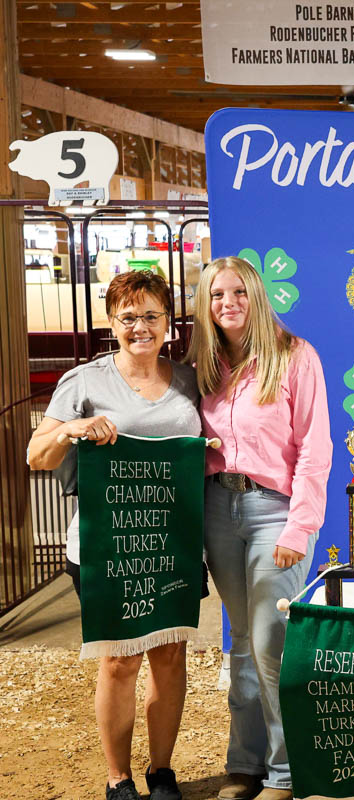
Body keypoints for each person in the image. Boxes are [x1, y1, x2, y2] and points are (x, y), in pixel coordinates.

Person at [27, 270, 199, 800]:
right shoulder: (84, 381)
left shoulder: (189, 380)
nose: (140, 327)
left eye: (151, 316)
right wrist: (70, 429)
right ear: (111, 322)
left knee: (169, 656)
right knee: (120, 659)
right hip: (106, 548)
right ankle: (118, 777)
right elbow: (37, 456)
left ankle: (162, 771)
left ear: (168, 323)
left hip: (172, 546)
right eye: (128, 317)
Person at [188, 256, 332, 800]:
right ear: (206, 304)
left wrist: (300, 527)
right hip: (218, 508)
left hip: (276, 510)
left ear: (257, 295)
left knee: (272, 639)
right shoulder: (203, 364)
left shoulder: (295, 356)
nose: (228, 303)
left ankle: (285, 772)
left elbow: (314, 448)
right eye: (217, 294)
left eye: (239, 292)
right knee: (243, 639)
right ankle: (244, 765)